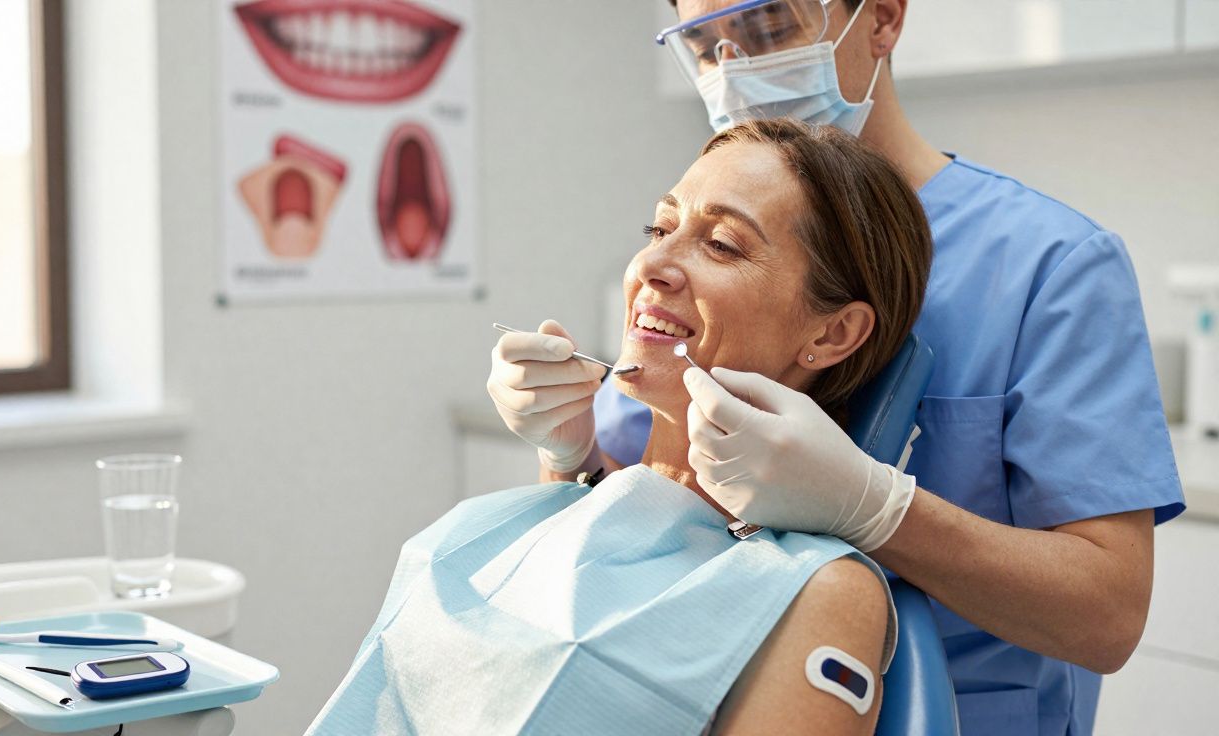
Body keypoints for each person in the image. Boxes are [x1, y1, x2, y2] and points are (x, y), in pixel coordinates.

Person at [488, 1, 1185, 734]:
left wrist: (873, 508)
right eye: (701, 44)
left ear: (881, 20)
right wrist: (568, 457)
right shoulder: (698, 265)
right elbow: (637, 517)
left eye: (767, 27)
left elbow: (1105, 616)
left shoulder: (1048, 267)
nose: (734, 70)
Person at [309, 119, 932, 735]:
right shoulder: (578, 496)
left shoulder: (821, 589)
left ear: (832, 333)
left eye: (721, 244)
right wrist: (569, 460)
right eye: (658, 228)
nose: (652, 264)